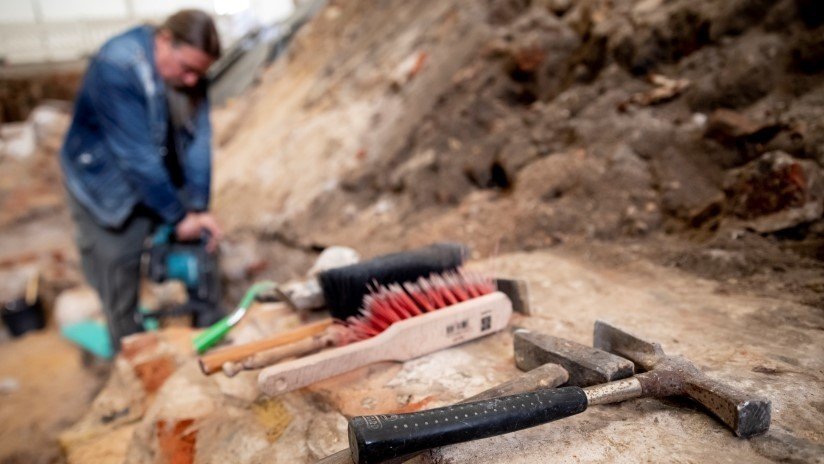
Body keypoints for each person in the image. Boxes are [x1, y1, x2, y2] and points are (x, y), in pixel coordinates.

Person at [60, 9, 224, 351]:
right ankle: (127, 351)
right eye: (187, 69)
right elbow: (137, 158)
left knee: (199, 239)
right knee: (119, 261)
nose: (193, 80)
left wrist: (197, 209)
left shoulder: (189, 74)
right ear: (164, 41)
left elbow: (198, 142)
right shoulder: (116, 67)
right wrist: (178, 218)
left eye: (200, 73)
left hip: (153, 163)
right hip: (104, 183)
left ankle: (205, 327)